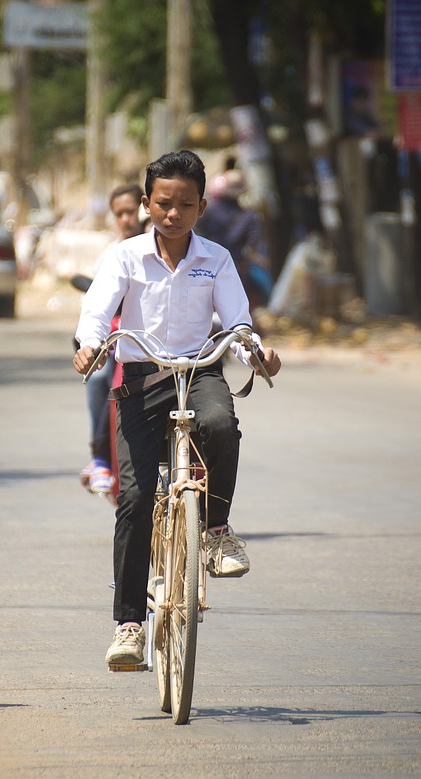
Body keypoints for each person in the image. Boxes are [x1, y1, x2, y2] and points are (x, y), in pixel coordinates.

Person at [73, 150, 281, 666]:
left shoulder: (216, 259)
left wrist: (256, 353)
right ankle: (127, 626)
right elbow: (97, 312)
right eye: (163, 203)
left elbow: (236, 323)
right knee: (136, 500)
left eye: (185, 205)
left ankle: (215, 532)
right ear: (147, 204)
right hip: (142, 382)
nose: (173, 214)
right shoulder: (124, 258)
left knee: (222, 426)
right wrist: (89, 345)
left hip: (199, 372)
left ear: (202, 207)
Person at [78, 184, 145, 498]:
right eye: (119, 213)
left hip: (167, 346)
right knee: (101, 379)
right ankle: (100, 455)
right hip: (122, 341)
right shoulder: (111, 256)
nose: (126, 219)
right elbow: (95, 308)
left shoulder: (174, 248)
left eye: (131, 211)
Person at [194, 167, 271, 317]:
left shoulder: (208, 210)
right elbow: (252, 245)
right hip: (235, 267)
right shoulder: (249, 215)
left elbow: (196, 233)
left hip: (206, 264)